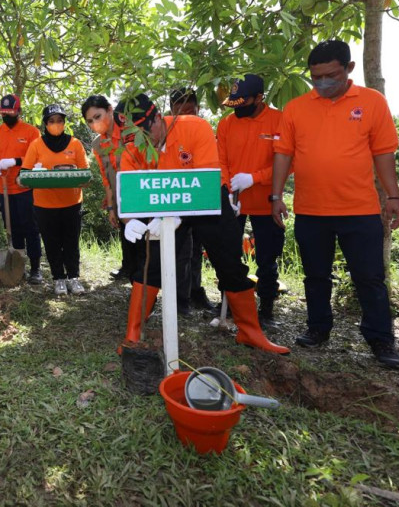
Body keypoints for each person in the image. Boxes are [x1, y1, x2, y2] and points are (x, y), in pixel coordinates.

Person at [119, 93, 289, 355]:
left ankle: (250, 332)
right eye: (132, 138)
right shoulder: (133, 147)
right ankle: (134, 334)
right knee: (150, 264)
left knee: (229, 262)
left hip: (207, 199)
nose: (140, 143)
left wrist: (179, 213)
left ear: (155, 119)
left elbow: (207, 179)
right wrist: (130, 221)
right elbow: (129, 195)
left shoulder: (194, 127)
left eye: (143, 133)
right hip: (161, 208)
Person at [272, 40, 399, 368]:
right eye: (315, 77)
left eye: (330, 75)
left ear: (349, 69)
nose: (322, 83)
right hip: (311, 210)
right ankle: (317, 329)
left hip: (358, 210)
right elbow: (283, 155)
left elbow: (383, 153)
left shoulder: (372, 103)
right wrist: (275, 196)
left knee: (369, 277)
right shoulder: (296, 108)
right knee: (315, 275)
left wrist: (393, 196)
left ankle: (380, 339)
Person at [218, 74, 286, 329]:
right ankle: (230, 302)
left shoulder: (279, 121)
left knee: (267, 258)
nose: (238, 110)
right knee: (228, 255)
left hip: (267, 202)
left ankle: (266, 307)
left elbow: (286, 163)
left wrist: (255, 178)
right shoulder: (226, 125)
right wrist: (226, 189)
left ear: (260, 98)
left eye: (244, 104)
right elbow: (220, 160)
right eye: (234, 105)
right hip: (233, 204)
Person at [20, 104, 89, 295]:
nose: (56, 124)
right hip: (44, 204)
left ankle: (74, 278)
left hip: (72, 203)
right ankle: (58, 278)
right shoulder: (36, 145)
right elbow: (26, 173)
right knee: (51, 242)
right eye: (52, 121)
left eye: (60, 121)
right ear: (45, 123)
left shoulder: (75, 143)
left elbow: (85, 172)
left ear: (64, 123)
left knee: (71, 242)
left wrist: (82, 180)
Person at [0, 93, 43, 284]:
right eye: (3, 113)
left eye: (10, 112)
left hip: (26, 188)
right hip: (5, 189)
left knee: (31, 228)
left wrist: (16, 161)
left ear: (18, 111)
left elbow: (37, 157)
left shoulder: (31, 132)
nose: (6, 116)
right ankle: (19, 267)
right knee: (13, 229)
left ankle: (36, 268)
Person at [81, 94, 137, 282]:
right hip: (120, 196)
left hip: (142, 194)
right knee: (125, 231)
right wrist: (111, 208)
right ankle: (128, 268)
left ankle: (143, 275)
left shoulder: (132, 131)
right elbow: (106, 177)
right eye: (90, 121)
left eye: (98, 116)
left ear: (110, 110)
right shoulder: (98, 144)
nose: (95, 123)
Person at [169, 88, 215, 313]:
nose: (188, 115)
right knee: (181, 253)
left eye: (191, 110)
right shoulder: (166, 132)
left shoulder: (204, 130)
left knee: (197, 250)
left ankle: (196, 292)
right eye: (181, 111)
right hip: (177, 202)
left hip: (201, 200)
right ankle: (180, 300)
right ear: (171, 110)